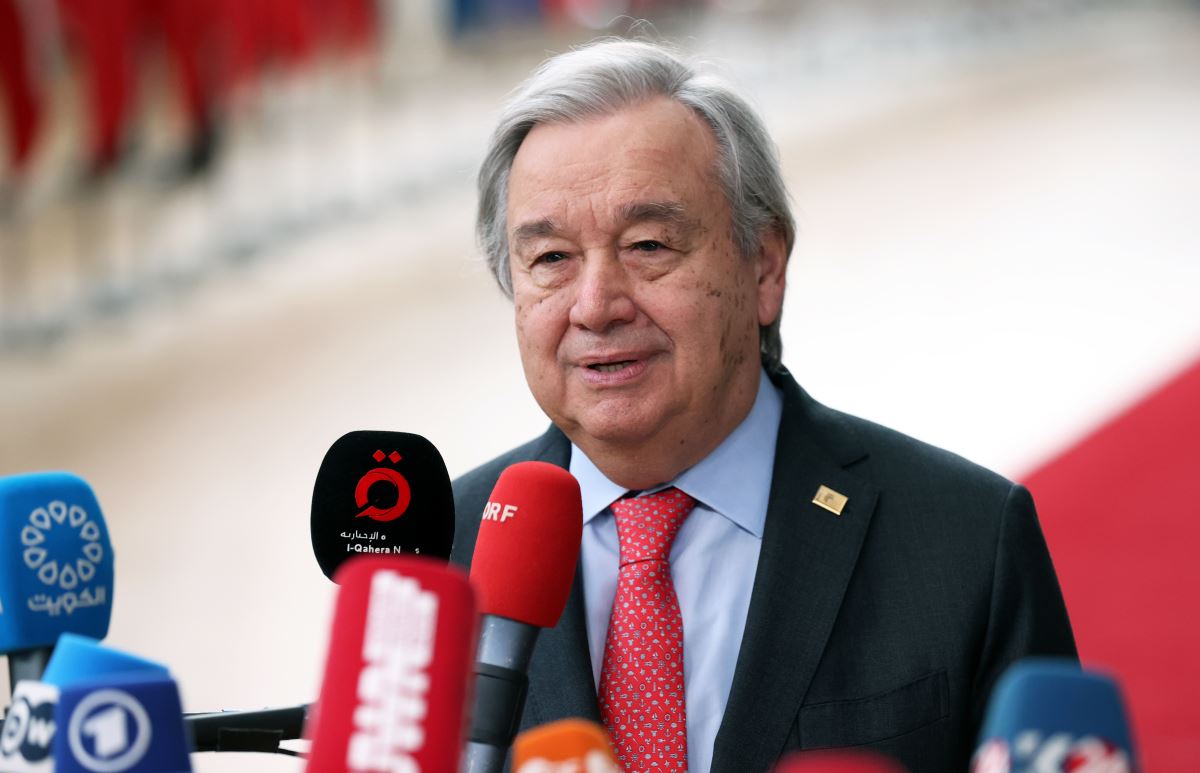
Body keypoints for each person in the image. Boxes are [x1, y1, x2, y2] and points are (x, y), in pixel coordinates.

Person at [449, 39, 1076, 773]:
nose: (595, 305)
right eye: (551, 258)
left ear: (764, 266)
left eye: (648, 245)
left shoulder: (965, 541)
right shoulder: (443, 554)